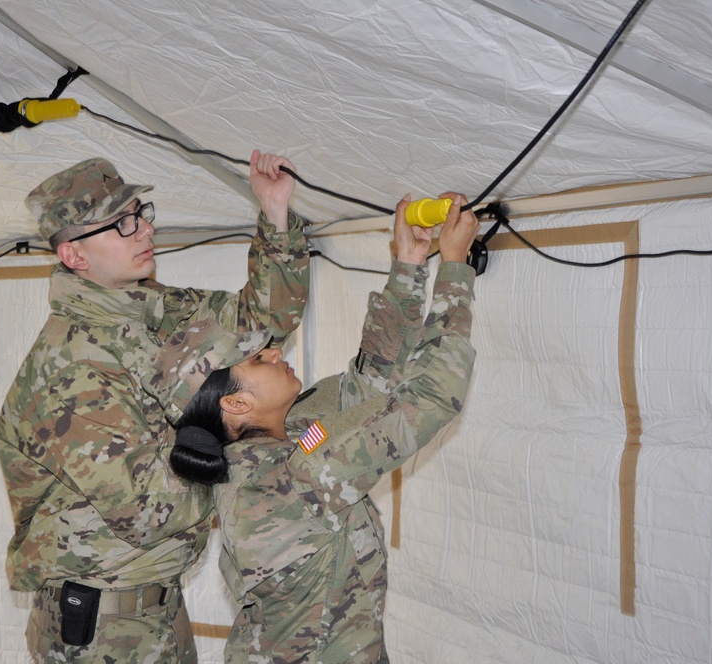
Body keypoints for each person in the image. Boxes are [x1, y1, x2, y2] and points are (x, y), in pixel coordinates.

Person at [0, 150, 309, 663]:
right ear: (75, 256)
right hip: (100, 630)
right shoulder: (70, 366)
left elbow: (266, 319)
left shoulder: (159, 311)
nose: (143, 231)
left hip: (157, 607)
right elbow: (149, 510)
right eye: (120, 224)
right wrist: (258, 449)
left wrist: (275, 215)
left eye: (140, 214)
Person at [151, 193, 480, 663]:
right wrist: (454, 269)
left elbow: (367, 385)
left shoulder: (293, 438)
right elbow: (429, 397)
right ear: (236, 403)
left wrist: (409, 265)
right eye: (256, 357)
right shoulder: (292, 476)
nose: (273, 353)